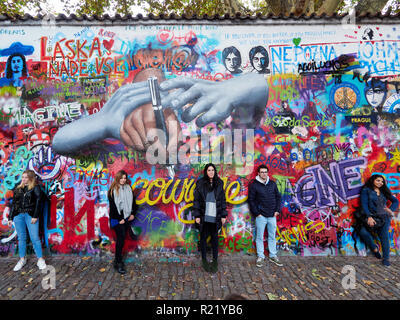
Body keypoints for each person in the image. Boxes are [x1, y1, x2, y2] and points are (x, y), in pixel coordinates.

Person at [7, 170, 47, 271]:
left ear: (31, 178)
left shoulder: (35, 188)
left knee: (35, 238)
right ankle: (22, 259)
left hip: (30, 215)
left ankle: (40, 259)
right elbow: (14, 204)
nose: (23, 179)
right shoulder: (18, 189)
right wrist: (11, 217)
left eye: (25, 177)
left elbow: (39, 202)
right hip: (18, 216)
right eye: (22, 177)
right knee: (21, 238)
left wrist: (35, 216)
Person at [356, 174, 398, 267]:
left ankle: (386, 258)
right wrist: (369, 217)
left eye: (382, 181)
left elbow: (395, 201)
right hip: (371, 216)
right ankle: (374, 249)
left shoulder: (384, 191)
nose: (380, 183)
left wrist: (390, 210)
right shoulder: (366, 190)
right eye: (378, 180)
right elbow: (364, 204)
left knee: (384, 237)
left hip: (384, 217)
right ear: (373, 180)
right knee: (363, 232)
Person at [193, 163, 227, 273]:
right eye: (209, 170)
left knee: (214, 239)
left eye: (212, 170)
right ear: (206, 172)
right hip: (204, 215)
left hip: (215, 215)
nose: (211, 172)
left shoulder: (219, 183)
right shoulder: (200, 183)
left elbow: (222, 200)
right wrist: (197, 215)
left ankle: (215, 260)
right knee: (203, 238)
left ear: (215, 171)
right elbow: (197, 200)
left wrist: (223, 215)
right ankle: (204, 260)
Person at [248, 165, 282, 267]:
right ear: (258, 173)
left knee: (272, 236)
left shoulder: (272, 184)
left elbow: (278, 197)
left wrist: (277, 210)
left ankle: (273, 255)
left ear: (267, 173)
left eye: (265, 172)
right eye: (262, 172)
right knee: (259, 237)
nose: (264, 174)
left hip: (272, 215)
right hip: (261, 216)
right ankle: (260, 256)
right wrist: (257, 213)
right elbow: (251, 200)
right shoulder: (254, 185)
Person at [107, 170, 138, 274]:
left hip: (126, 217)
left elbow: (133, 202)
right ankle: (118, 262)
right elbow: (113, 208)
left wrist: (133, 213)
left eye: (125, 178)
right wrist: (120, 219)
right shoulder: (112, 190)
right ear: (118, 178)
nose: (123, 180)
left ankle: (117, 261)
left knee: (122, 239)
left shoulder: (129, 188)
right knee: (120, 239)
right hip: (117, 219)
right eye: (121, 178)